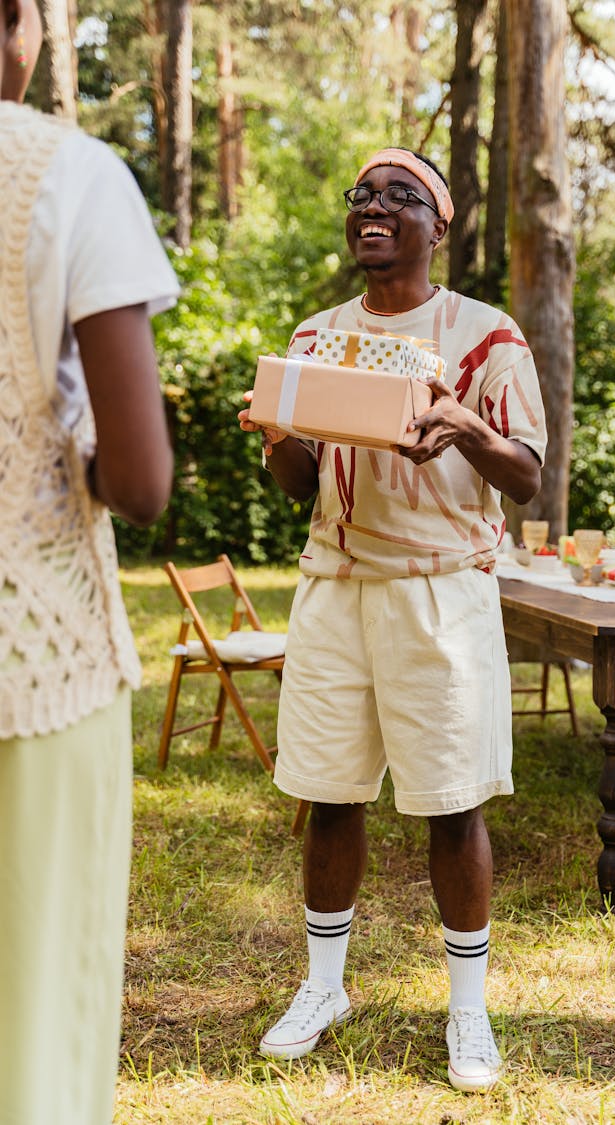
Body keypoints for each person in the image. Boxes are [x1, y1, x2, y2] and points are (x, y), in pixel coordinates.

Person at [239, 147, 547, 1091]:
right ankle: (324, 986)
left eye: (400, 196)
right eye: (363, 196)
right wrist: (279, 433)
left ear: (439, 223)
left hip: (439, 588)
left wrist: (467, 428)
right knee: (330, 793)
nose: (374, 208)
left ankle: (468, 1010)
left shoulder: (486, 337)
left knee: (452, 802)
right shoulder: (316, 337)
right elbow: (297, 485)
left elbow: (529, 477)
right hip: (335, 582)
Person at [0, 2, 179, 1122]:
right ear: (13, 26)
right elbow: (144, 481)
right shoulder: (69, 175)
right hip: (37, 658)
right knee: (37, 1038)